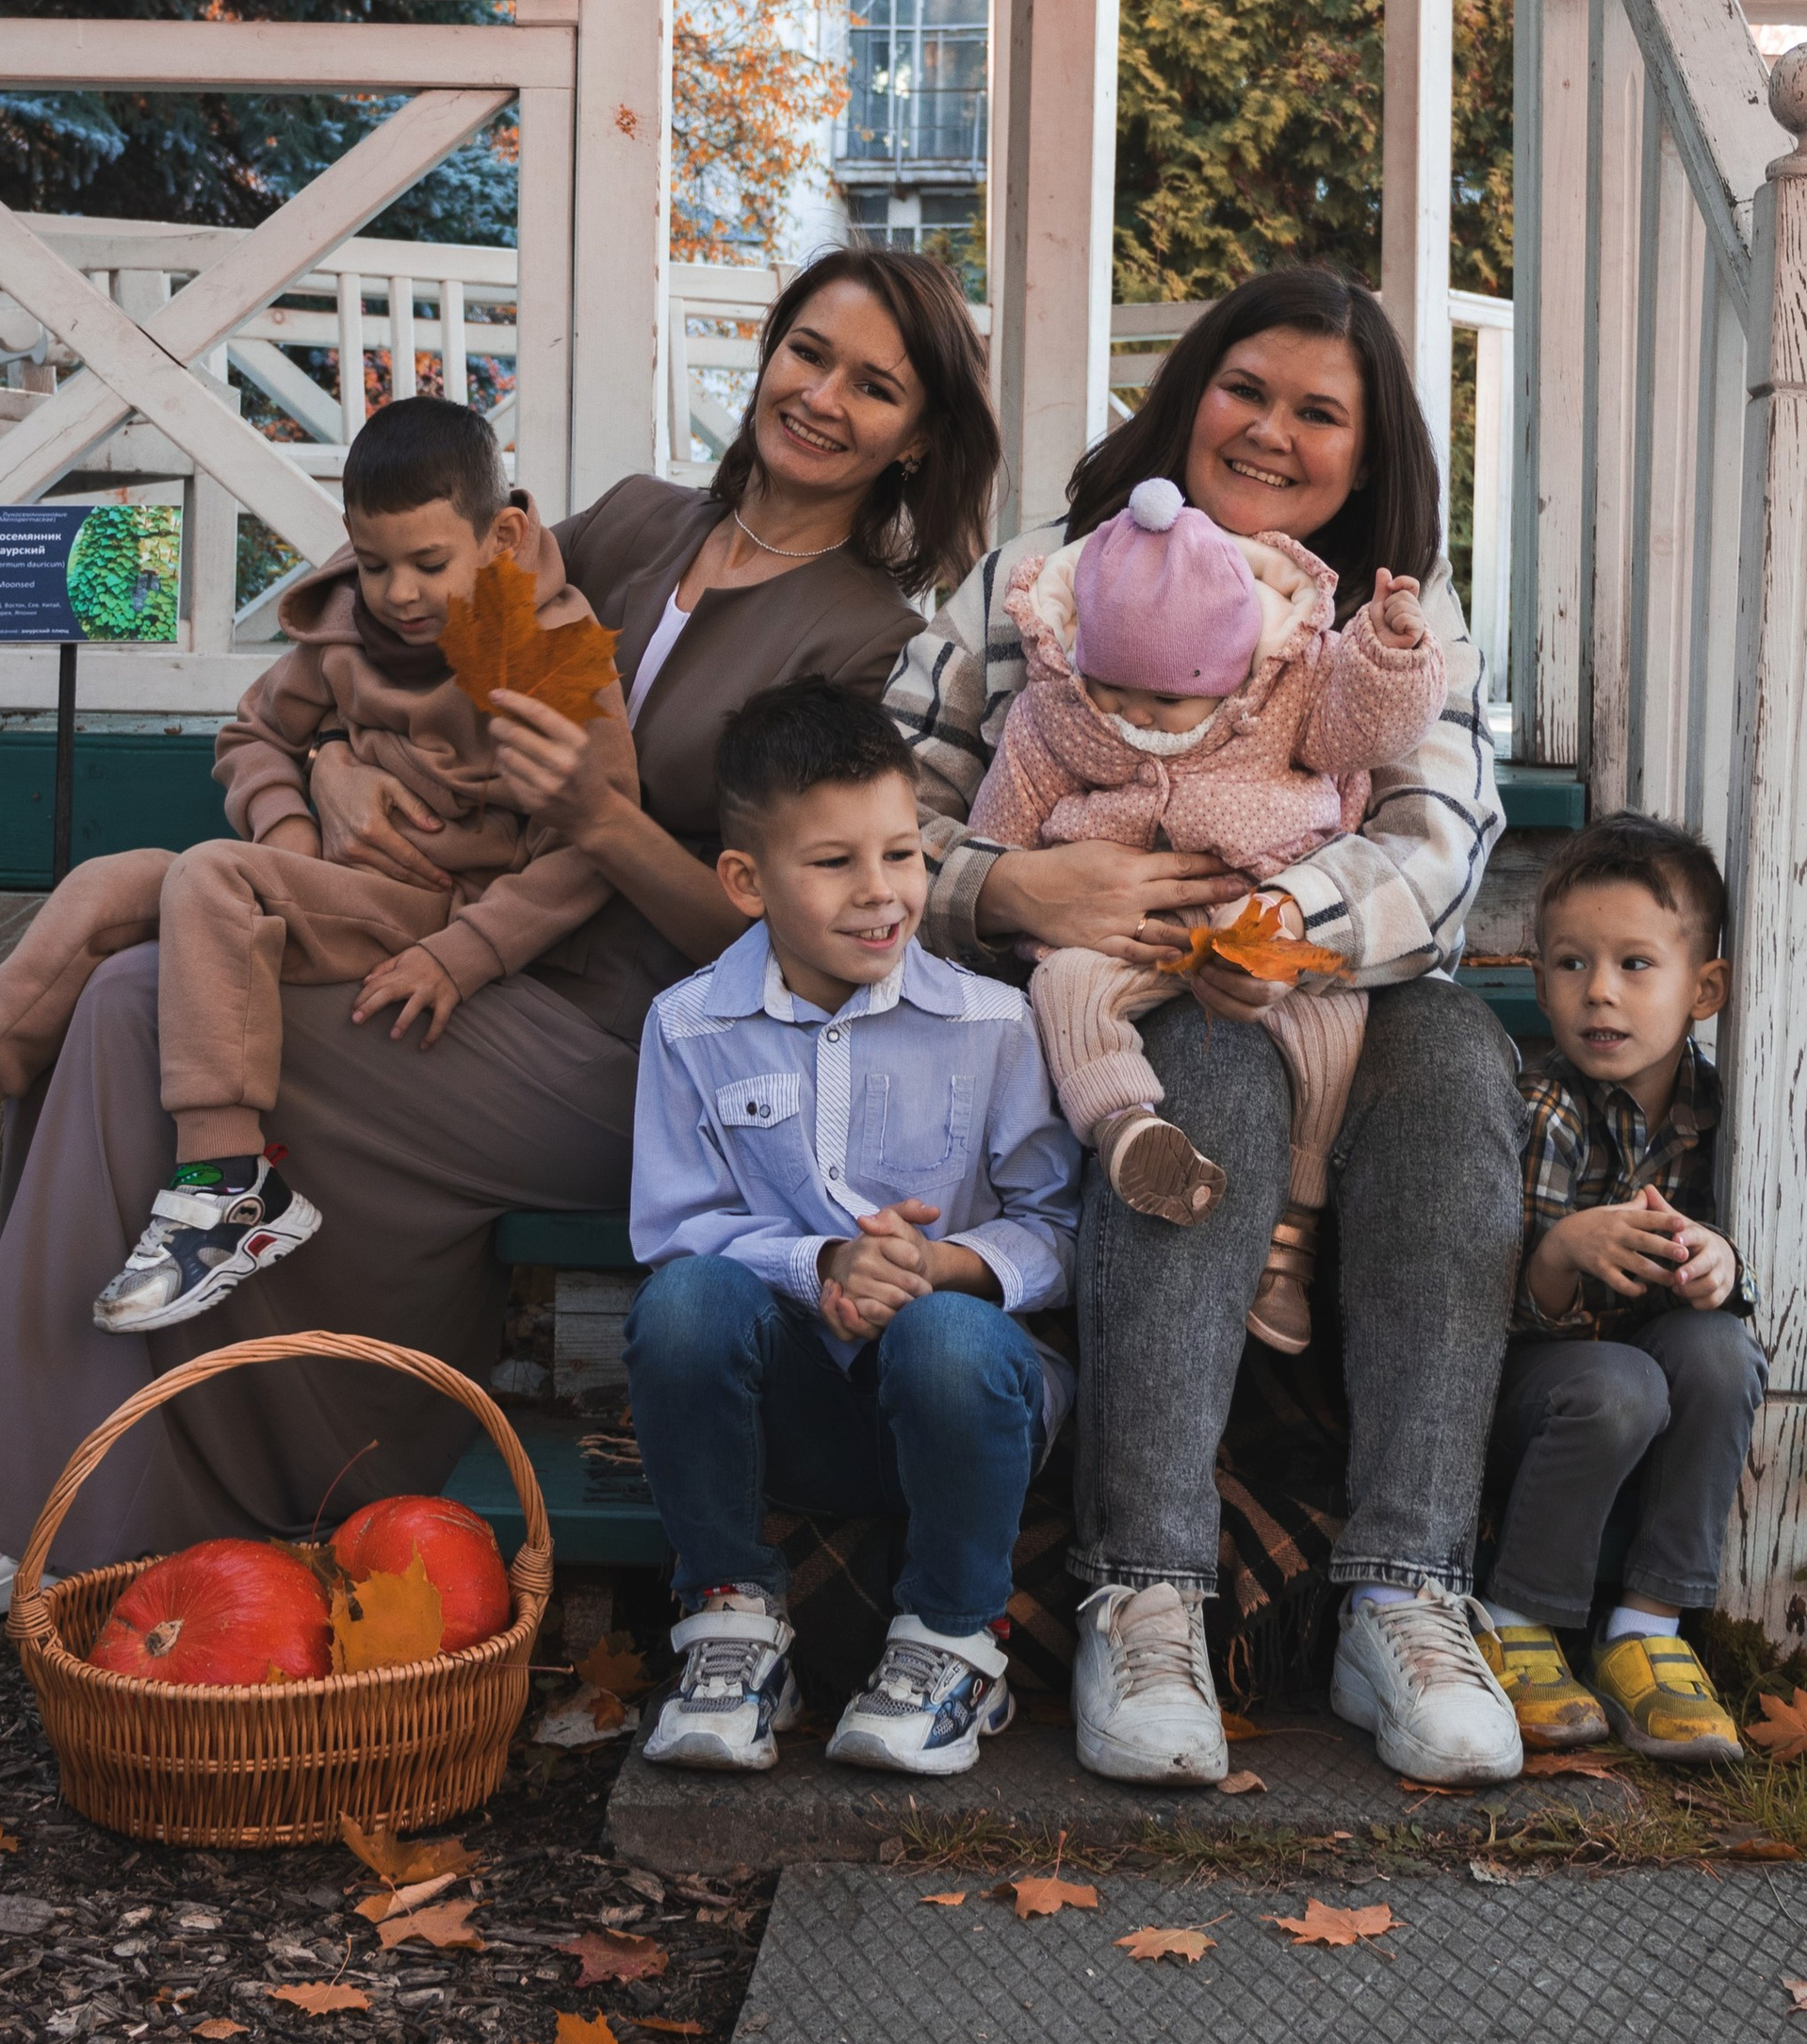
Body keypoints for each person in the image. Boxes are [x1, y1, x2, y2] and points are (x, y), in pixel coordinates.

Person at [0, 248, 998, 1643]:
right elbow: (386, 612)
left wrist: (604, 823)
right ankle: (47, 1484)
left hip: (647, 1047)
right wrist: (328, 774)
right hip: (441, 941)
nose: (822, 397)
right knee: (134, 981)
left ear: (916, 436)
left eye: (874, 386)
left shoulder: (867, 639)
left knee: (139, 1007)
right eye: (808, 351)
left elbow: (805, 936)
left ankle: (29, 1505)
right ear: (768, 350)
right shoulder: (629, 522)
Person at [891, 266, 1525, 1791]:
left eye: (1320, 412)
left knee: (1457, 1055)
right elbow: (888, 809)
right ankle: (1145, 1588)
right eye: (1247, 388)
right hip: (1094, 1004)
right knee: (1205, 1070)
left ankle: (1406, 1592)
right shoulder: (1041, 581)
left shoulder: (1389, 624)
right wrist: (1011, 884)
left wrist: (1278, 922)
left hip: (1314, 991)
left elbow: (1439, 851)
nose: (1271, 430)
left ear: (1369, 455)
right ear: (1189, 395)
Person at [0, 398, 618, 1334]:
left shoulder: (552, 651)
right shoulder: (349, 624)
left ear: (500, 537)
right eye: (375, 564)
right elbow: (252, 733)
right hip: (326, 879)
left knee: (213, 875)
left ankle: (230, 1184)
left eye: (428, 563)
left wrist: (465, 953)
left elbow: (594, 837)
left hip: (438, 908)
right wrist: (287, 826)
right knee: (106, 884)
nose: (399, 592)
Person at [624, 680, 1080, 1780]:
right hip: (798, 1411)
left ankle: (953, 1642)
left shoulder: (992, 1023)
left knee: (942, 1335)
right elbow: (677, 1229)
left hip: (968, 1399)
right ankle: (731, 1621)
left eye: (902, 854)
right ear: (746, 881)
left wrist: (937, 1266)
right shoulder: (690, 1028)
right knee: (683, 1302)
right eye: (833, 862)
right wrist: (821, 1261)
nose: (880, 891)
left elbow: (1060, 1230)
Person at [964, 468, 1444, 1351]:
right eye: (1114, 693)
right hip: (1121, 935)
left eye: (1166, 702)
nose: (1135, 719)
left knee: (1332, 1024)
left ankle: (1290, 1234)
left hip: (1256, 921)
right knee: (1064, 989)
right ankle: (1128, 1129)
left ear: (1231, 671)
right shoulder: (1058, 710)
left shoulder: (1285, 694)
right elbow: (1002, 822)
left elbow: (1367, 729)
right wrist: (1014, 885)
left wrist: (1387, 653)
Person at [1476, 812, 1763, 1765]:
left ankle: (1647, 1628)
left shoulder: (1718, 1109)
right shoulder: (1544, 1109)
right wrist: (1563, 1248)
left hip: (1647, 1379)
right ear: (1539, 981)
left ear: (1704, 988)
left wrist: (1720, 1263)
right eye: (1571, 963)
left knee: (1721, 1352)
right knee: (1620, 1382)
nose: (1598, 990)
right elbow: (1494, 1313)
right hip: (1538, 1400)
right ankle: (1516, 1617)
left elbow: (1728, 1287)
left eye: (1635, 964)